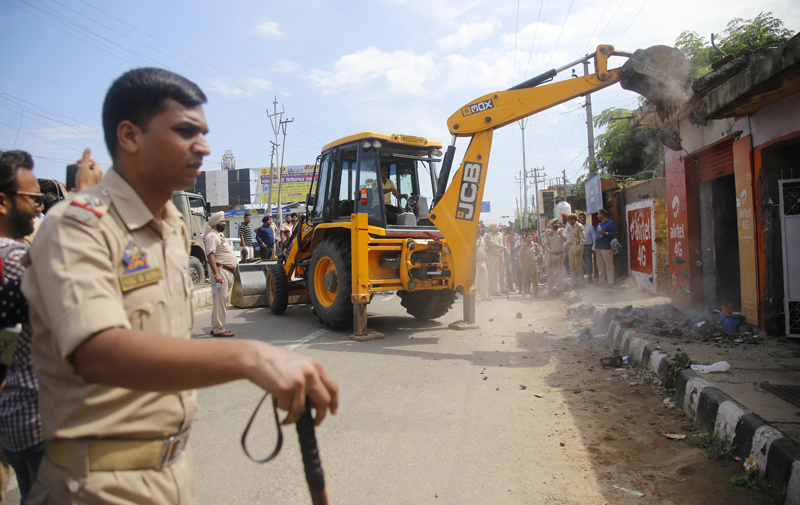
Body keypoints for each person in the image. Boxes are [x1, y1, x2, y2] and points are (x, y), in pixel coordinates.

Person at [21, 68, 338, 505]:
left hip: (172, 471)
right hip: (99, 483)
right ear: (130, 136)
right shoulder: (78, 226)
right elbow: (97, 352)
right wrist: (250, 356)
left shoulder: (170, 226)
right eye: (186, 131)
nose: (204, 147)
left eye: (204, 133)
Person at [205, 211, 236, 337]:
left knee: (222, 300)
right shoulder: (212, 237)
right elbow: (210, 255)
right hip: (221, 272)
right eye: (222, 221)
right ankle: (219, 329)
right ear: (216, 223)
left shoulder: (219, 235)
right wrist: (216, 274)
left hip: (226, 272)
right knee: (220, 301)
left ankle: (216, 326)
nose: (224, 223)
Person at [542, 218, 567, 296]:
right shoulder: (547, 233)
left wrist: (560, 234)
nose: (557, 224)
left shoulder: (562, 230)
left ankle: (558, 290)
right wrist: (548, 249)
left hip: (560, 255)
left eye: (558, 223)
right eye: (555, 223)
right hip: (551, 256)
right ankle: (550, 290)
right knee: (550, 273)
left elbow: (565, 239)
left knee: (559, 273)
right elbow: (545, 243)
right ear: (552, 225)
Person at [595, 208, 617, 285]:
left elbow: (614, 234)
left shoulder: (610, 223)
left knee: (609, 264)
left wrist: (605, 233)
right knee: (600, 265)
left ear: (602, 214)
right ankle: (601, 281)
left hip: (606, 247)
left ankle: (610, 281)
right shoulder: (599, 224)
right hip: (598, 246)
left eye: (598, 214)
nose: (597, 216)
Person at [485, 222, 507, 296]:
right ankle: (485, 291)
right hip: (491, 256)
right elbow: (492, 244)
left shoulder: (495, 235)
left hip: (496, 255)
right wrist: (502, 247)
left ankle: (494, 290)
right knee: (489, 274)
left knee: (495, 274)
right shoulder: (489, 235)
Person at [519, 233, 542, 297]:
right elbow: (520, 256)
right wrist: (520, 264)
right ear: (526, 238)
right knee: (525, 278)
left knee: (535, 279)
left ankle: (536, 293)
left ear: (532, 238)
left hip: (533, 263)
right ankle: (525, 292)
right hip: (525, 263)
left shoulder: (535, 245)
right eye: (528, 237)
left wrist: (537, 257)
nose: (529, 239)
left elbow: (540, 252)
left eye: (530, 237)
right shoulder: (523, 246)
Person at [566, 213, 585, 289]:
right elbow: (571, 238)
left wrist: (579, 249)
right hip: (571, 247)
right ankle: (574, 283)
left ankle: (581, 282)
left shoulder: (579, 226)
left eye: (569, 220)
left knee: (578, 265)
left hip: (577, 247)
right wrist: (567, 244)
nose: (569, 222)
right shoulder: (571, 227)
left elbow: (582, 239)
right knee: (571, 266)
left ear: (573, 219)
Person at [475, 223, 490, 302]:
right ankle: (475, 298)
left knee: (484, 280)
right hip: (475, 263)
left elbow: (485, 250)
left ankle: (484, 296)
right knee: (475, 281)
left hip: (483, 262)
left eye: (480, 228)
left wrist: (487, 260)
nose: (479, 230)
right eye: (478, 228)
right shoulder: (472, 239)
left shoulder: (482, 239)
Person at [580, 212, 595, 284]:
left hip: (587, 246)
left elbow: (593, 237)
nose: (582, 219)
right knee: (579, 263)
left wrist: (594, 247)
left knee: (588, 262)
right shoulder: (577, 227)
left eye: (583, 217)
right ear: (579, 219)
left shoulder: (589, 227)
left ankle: (589, 277)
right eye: (581, 217)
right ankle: (581, 279)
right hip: (579, 247)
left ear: (585, 218)